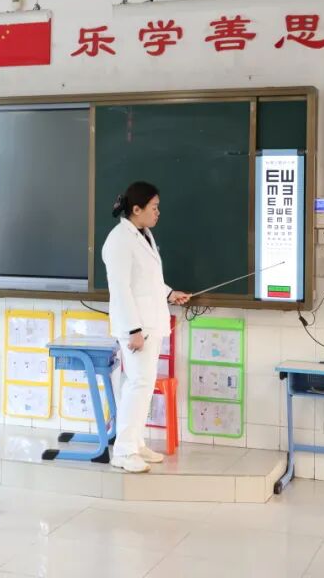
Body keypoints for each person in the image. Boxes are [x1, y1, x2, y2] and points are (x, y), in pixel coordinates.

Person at [101, 181, 190, 473]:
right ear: (136, 209)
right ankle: (123, 451)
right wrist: (133, 330)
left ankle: (136, 443)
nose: (158, 212)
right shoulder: (119, 240)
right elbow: (121, 289)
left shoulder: (144, 235)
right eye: (154, 207)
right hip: (136, 328)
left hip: (150, 323)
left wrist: (169, 293)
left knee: (143, 386)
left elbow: (148, 280)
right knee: (137, 385)